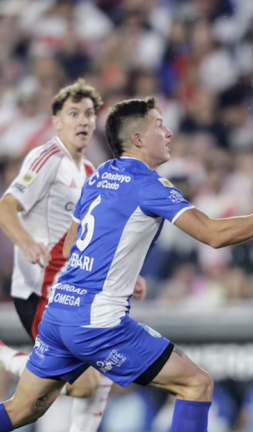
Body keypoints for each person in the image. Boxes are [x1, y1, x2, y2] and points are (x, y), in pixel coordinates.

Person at [0, 96, 253, 432]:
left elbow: (70, 245)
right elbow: (214, 235)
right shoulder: (149, 186)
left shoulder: (100, 174)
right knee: (196, 385)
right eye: (159, 126)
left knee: (22, 410)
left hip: (59, 312)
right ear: (137, 139)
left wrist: (118, 270)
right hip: (98, 322)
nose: (169, 133)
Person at [0, 79, 118, 432]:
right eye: (73, 113)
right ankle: (5, 356)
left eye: (89, 114)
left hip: (70, 294)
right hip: (40, 291)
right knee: (83, 383)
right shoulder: (47, 158)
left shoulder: (90, 172)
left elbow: (89, 236)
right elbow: (6, 206)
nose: (83, 120)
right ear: (56, 121)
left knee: (93, 381)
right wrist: (26, 242)